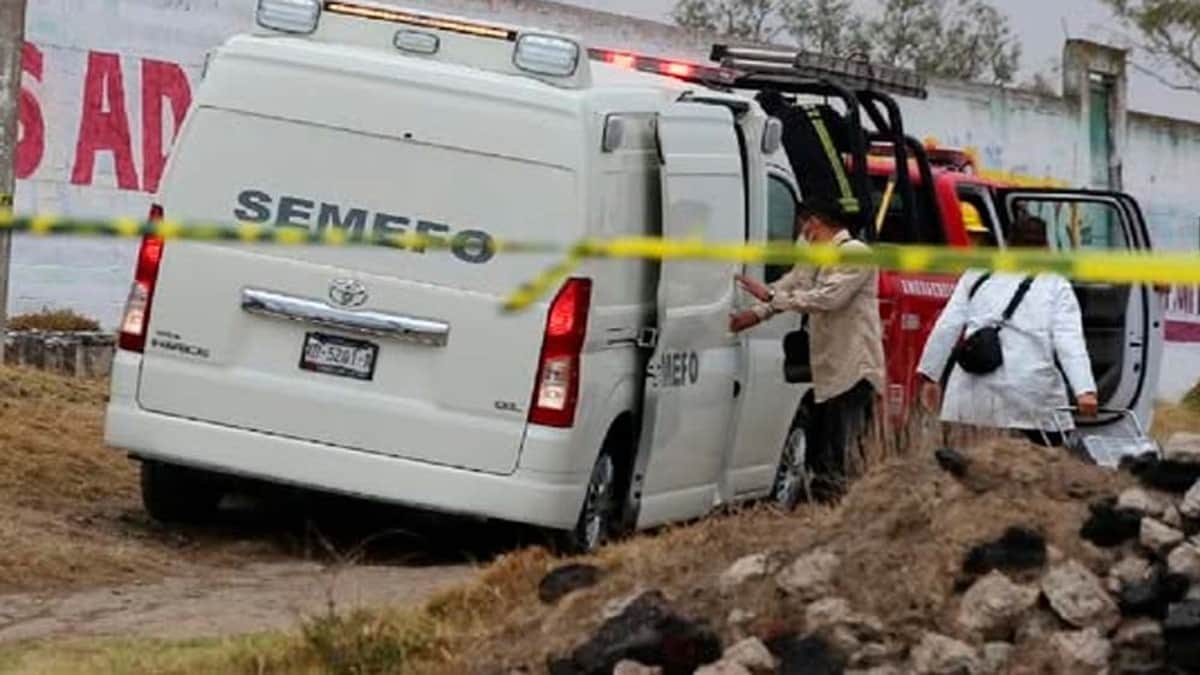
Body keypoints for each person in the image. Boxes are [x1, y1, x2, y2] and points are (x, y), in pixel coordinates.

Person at [730, 199, 886, 502]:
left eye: (803, 225)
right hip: (828, 368)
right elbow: (790, 285)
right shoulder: (816, 256)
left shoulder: (855, 254)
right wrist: (755, 313)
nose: (802, 232)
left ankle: (840, 513)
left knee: (840, 452)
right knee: (821, 451)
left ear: (815, 222)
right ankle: (825, 508)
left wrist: (772, 298)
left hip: (853, 370)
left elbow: (828, 298)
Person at [916, 213, 1100, 444]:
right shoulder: (1055, 285)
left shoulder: (977, 275)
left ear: (1008, 244)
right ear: (1046, 247)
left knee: (964, 473)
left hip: (970, 402)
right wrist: (1085, 391)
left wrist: (930, 376)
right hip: (1030, 405)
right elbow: (1069, 343)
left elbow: (947, 327)